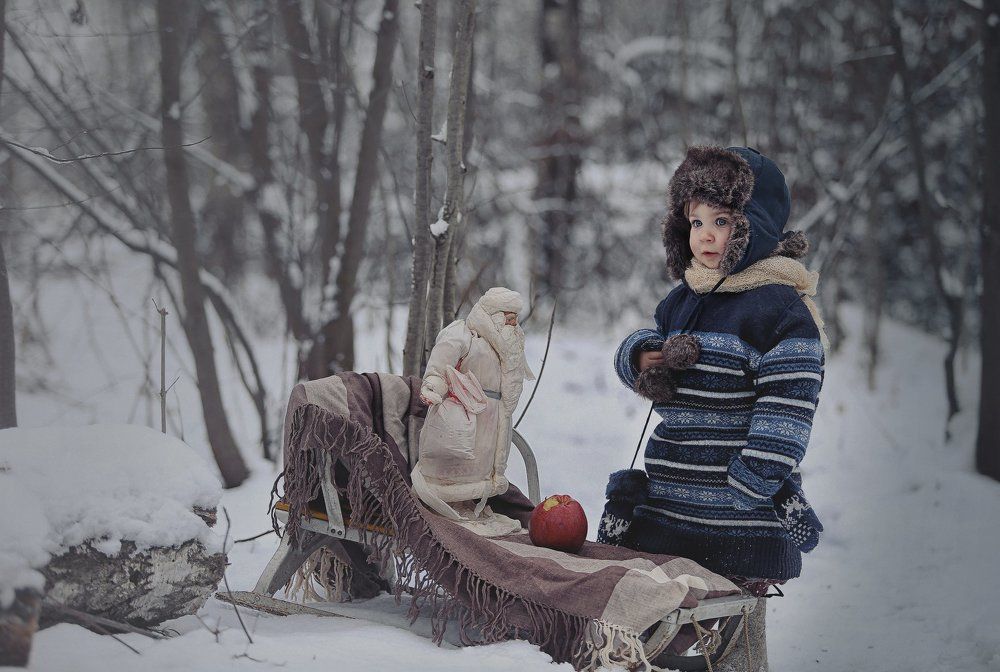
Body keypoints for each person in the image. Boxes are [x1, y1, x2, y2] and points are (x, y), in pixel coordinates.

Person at [602, 146, 828, 592]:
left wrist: (756, 477)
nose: (705, 236)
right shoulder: (683, 300)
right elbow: (646, 348)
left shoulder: (778, 310)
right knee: (660, 614)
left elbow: (789, 404)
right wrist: (644, 357)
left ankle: (744, 635)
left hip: (739, 519)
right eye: (696, 222)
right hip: (668, 509)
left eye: (721, 222)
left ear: (753, 225)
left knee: (731, 620)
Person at [410, 287, 535, 537]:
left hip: (492, 420)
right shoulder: (464, 334)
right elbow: (440, 365)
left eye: (515, 318)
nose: (512, 323)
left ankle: (468, 504)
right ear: (492, 314)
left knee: (480, 467)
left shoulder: (509, 352)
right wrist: (434, 385)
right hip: (462, 411)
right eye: (507, 317)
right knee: (455, 461)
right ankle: (443, 502)